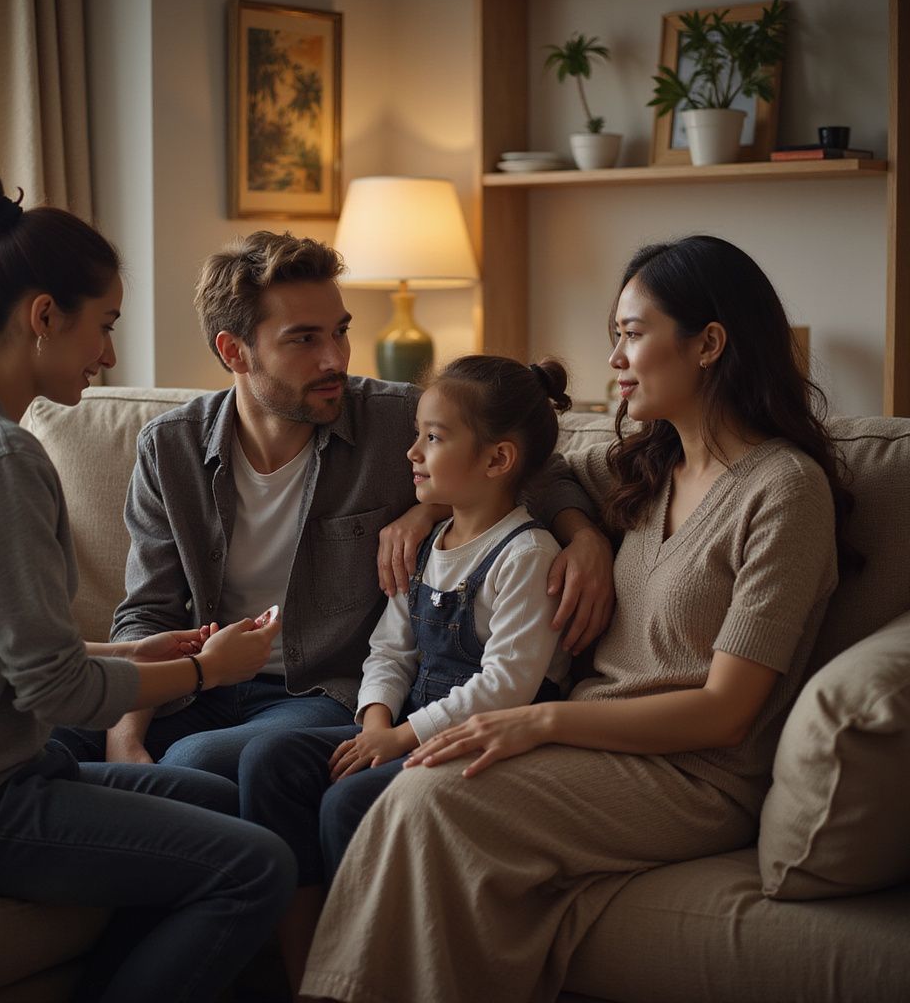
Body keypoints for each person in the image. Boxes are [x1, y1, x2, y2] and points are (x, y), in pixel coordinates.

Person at [298, 234, 857, 1003]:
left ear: (709, 344)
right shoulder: (645, 465)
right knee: (384, 782)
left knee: (427, 796)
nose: (616, 358)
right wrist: (583, 534)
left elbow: (727, 714)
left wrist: (542, 724)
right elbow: (521, 460)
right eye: (614, 337)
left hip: (694, 777)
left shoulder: (784, 493)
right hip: (589, 742)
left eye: (632, 334)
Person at [0, 164, 297, 1003]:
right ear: (44, 316)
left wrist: (133, 649)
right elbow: (53, 688)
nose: (110, 355)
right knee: (257, 866)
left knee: (217, 792)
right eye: (103, 326)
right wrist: (207, 672)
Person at [53, 231, 615, 782]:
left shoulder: (395, 418)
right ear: (234, 351)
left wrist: (582, 536)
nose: (335, 358)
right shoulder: (169, 448)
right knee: (30, 737)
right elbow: (147, 612)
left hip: (315, 694)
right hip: (193, 687)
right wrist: (123, 738)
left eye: (340, 332)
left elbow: (533, 464)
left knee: (193, 764)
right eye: (304, 339)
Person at [238, 353, 576, 992]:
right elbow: (390, 651)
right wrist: (374, 722)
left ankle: (358, 974)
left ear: (497, 460)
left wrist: (399, 739)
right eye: (418, 433)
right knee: (269, 761)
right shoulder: (426, 543)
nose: (412, 452)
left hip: (478, 741)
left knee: (346, 802)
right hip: (403, 729)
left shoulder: (526, 555)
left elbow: (506, 687)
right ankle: (301, 963)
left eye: (434, 437)